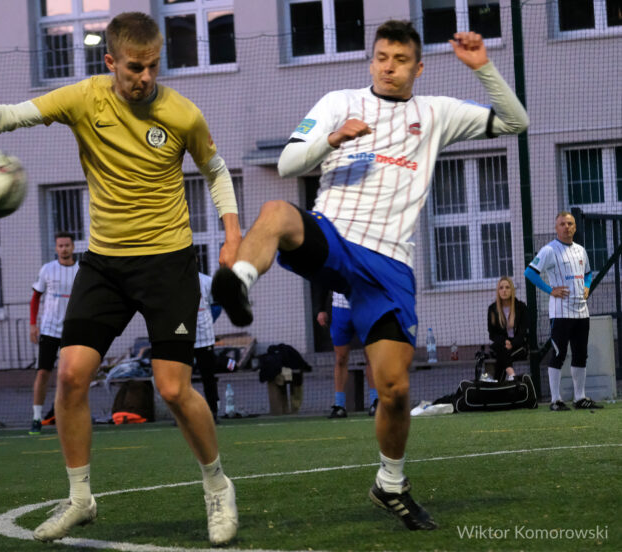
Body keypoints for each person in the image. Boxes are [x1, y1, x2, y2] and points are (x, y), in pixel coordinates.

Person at [0, 12, 241, 545]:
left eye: (153, 66)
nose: (145, 77)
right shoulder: (84, 98)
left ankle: (218, 487)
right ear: (110, 62)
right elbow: (12, 113)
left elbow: (215, 171)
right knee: (70, 374)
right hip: (105, 262)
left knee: (173, 388)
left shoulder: (181, 113)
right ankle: (81, 498)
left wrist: (232, 234)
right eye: (134, 67)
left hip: (167, 260)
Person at [211, 20, 528, 531]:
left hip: (388, 267)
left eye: (400, 60)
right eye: (382, 56)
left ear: (418, 68)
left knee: (395, 389)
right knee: (275, 210)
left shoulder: (437, 113)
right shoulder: (340, 101)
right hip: (334, 236)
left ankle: (391, 484)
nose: (389, 66)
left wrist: (484, 68)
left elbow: (516, 122)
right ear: (372, 59)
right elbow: (291, 162)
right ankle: (240, 283)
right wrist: (334, 138)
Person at [524, 211, 602, 411]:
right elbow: (530, 272)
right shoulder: (549, 250)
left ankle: (580, 397)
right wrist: (551, 290)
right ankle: (556, 400)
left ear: (575, 227)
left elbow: (588, 274)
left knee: (580, 354)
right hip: (560, 313)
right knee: (559, 354)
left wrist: (586, 286)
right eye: (562, 224)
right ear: (556, 227)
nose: (566, 227)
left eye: (570, 223)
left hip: (581, 312)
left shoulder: (581, 250)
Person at [28, 232, 79, 435]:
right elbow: (35, 298)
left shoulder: (80, 270)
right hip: (49, 329)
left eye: (67, 245)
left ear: (73, 247)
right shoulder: (48, 269)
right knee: (43, 373)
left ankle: (67, 416)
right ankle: (36, 418)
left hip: (72, 330)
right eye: (60, 245)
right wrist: (33, 324)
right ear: (56, 248)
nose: (64, 249)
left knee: (69, 376)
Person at [316, 292, 378, 418]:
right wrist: (321, 309)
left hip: (366, 307)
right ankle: (339, 406)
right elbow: (325, 278)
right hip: (341, 310)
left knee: (371, 357)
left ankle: (376, 402)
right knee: (340, 359)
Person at [487, 276, 529, 382]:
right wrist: (504, 341)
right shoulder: (492, 309)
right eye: (501, 288)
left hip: (518, 345)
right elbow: (492, 334)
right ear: (498, 291)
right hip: (502, 344)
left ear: (512, 290)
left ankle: (498, 383)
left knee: (502, 355)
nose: (504, 290)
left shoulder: (521, 307)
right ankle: (511, 375)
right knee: (502, 349)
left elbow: (522, 331)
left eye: (507, 287)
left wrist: (512, 343)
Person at [195, 269, 221, 422]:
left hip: (205, 338)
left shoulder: (207, 281)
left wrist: (208, 322)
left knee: (208, 377)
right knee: (182, 379)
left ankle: (213, 412)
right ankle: (183, 416)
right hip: (183, 338)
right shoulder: (174, 279)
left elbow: (216, 306)